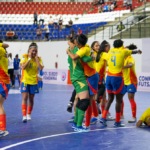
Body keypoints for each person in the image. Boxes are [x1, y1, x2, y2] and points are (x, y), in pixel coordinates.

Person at [100, 39, 142, 127]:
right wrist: (138, 51)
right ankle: (118, 121)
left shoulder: (111, 51)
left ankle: (103, 117)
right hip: (118, 78)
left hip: (109, 77)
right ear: (122, 46)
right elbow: (133, 51)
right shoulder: (123, 52)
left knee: (110, 98)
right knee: (119, 100)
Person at [67, 34, 99, 130]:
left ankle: (76, 123)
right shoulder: (78, 50)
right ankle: (79, 126)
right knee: (85, 101)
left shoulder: (74, 48)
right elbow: (83, 58)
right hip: (79, 77)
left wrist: (68, 48)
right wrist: (92, 57)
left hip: (77, 77)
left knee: (81, 100)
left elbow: (84, 55)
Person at [20, 42, 43, 123]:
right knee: (25, 97)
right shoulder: (24, 56)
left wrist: (37, 60)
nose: (34, 52)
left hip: (33, 81)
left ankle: (29, 114)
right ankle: (24, 116)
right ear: (29, 50)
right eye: (33, 51)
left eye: (36, 51)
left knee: (31, 99)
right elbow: (24, 67)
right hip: (25, 80)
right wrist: (29, 58)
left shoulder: (38, 58)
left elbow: (40, 68)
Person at [93, 41, 115, 121]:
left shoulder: (98, 54)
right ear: (105, 47)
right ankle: (95, 115)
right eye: (108, 47)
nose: (109, 49)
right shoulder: (104, 54)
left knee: (103, 97)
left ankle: (103, 114)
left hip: (97, 77)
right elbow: (112, 56)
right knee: (97, 98)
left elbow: (106, 63)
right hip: (100, 78)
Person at [121, 44, 138, 123]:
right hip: (123, 81)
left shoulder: (130, 58)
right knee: (119, 98)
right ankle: (121, 115)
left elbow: (130, 65)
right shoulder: (121, 59)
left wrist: (122, 67)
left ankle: (134, 117)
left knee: (131, 99)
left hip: (131, 81)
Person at [0, 40, 10, 137]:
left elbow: (6, 44)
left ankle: (2, 129)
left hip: (2, 81)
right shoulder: (2, 51)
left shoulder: (0, 49)